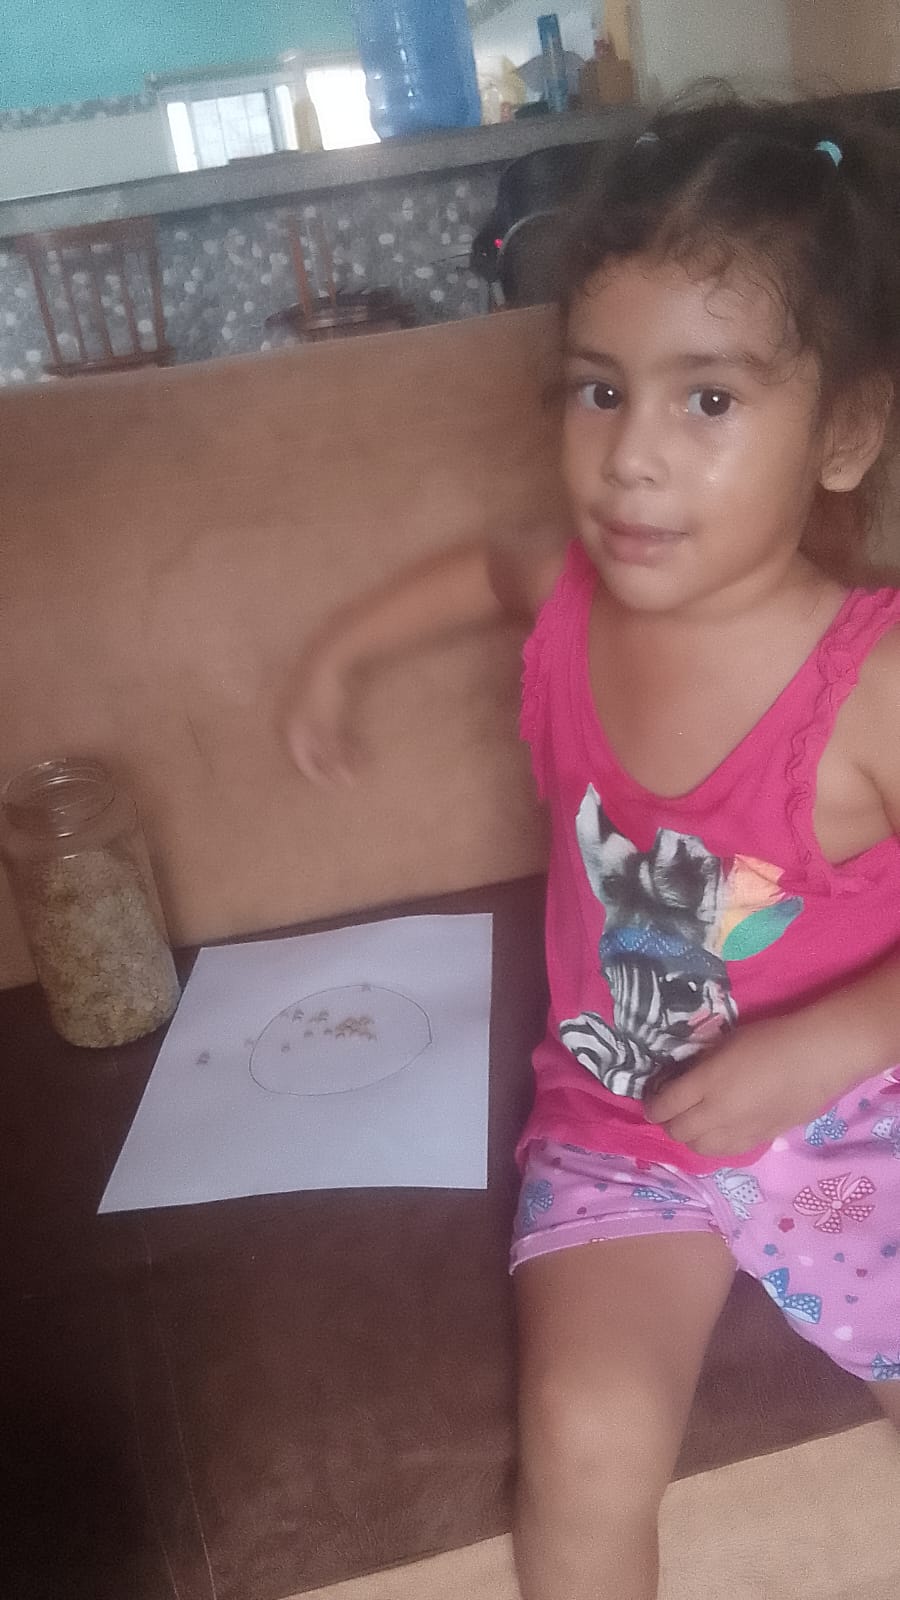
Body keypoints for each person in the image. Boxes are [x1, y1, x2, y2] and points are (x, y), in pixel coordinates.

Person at [285, 93, 900, 1600]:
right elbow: (484, 570)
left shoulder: (874, 682)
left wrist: (827, 1045)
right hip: (619, 1125)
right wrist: (341, 655)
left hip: (868, 1100)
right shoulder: (569, 601)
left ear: (844, 433)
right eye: (599, 390)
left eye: (709, 400)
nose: (631, 458)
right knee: (582, 1435)